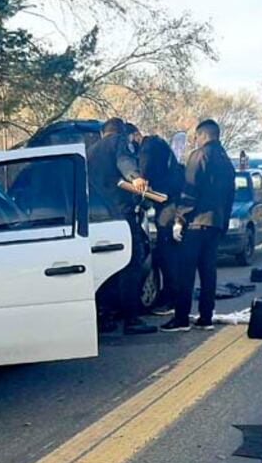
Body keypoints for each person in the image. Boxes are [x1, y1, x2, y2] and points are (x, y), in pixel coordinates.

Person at [161, 119, 235, 332]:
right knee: (208, 272)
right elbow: (230, 196)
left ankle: (182, 318)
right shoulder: (226, 161)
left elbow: (190, 192)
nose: (195, 140)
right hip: (216, 223)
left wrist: (179, 218)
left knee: (186, 272)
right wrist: (224, 222)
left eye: (196, 137)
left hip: (196, 223)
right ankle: (206, 317)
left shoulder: (199, 156)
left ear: (203, 135)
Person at [87, 118, 157, 335]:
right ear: (120, 132)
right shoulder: (118, 142)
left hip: (97, 217)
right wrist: (135, 178)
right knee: (130, 263)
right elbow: (124, 160)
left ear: (102, 132)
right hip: (121, 214)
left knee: (106, 265)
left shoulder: (89, 152)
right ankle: (131, 319)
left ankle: (104, 315)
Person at [135, 131, 186, 316]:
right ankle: (172, 294)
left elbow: (144, 174)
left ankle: (172, 297)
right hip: (169, 202)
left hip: (167, 204)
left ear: (135, 136)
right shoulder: (159, 145)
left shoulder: (148, 148)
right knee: (169, 251)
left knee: (168, 252)